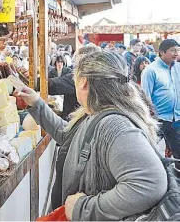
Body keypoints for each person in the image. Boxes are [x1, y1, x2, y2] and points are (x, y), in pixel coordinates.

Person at [16, 52, 167, 221]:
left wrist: (84, 208)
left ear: (83, 82)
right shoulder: (96, 114)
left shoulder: (115, 125)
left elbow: (149, 184)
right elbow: (69, 137)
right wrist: (37, 104)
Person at [141, 39, 180, 168]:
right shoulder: (150, 71)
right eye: (173, 50)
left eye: (177, 50)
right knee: (149, 150)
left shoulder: (178, 68)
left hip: (176, 119)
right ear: (162, 52)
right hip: (158, 120)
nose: (176, 53)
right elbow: (145, 96)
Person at [47, 45, 101, 120]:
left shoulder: (80, 77)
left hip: (76, 121)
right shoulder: (99, 76)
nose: (75, 61)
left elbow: (52, 85)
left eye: (77, 58)